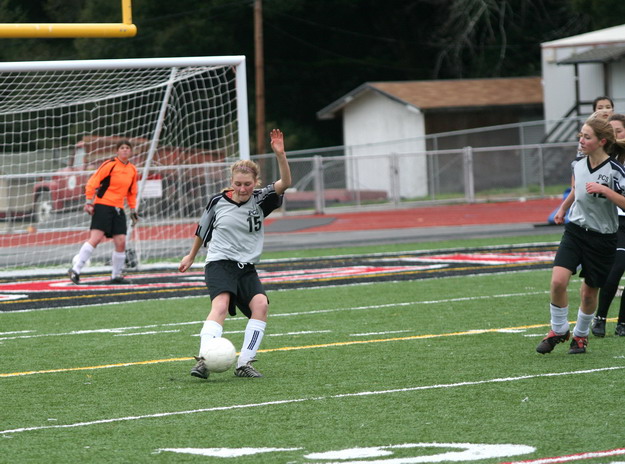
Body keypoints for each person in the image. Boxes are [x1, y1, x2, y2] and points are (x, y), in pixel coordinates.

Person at [179, 129, 292, 378]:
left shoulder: (262, 199)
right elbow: (202, 229)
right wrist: (191, 255)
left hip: (246, 267)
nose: (242, 189)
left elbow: (285, 183)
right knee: (220, 305)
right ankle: (203, 360)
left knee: (260, 305)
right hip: (219, 263)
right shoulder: (217, 202)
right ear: (232, 181)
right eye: (238, 184)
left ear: (256, 182)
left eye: (247, 184)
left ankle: (245, 363)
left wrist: (280, 155)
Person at [537, 114, 625, 355]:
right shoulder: (577, 164)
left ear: (602, 141)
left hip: (603, 238)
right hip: (575, 231)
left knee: (588, 293)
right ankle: (558, 330)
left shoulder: (616, 171)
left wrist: (606, 191)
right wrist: (562, 209)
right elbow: (577, 190)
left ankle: (580, 336)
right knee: (558, 281)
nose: (581, 141)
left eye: (587, 137)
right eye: (581, 136)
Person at [68, 140, 139, 285]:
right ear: (117, 151)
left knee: (121, 242)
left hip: (118, 208)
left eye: (127, 148)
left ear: (131, 151)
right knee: (96, 238)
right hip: (103, 205)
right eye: (122, 148)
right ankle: (76, 270)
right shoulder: (110, 165)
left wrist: (133, 209)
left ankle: (116, 275)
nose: (125, 150)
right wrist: (89, 202)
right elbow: (92, 182)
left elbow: (132, 192)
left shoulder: (132, 169)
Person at [592, 113, 625, 337]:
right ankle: (600, 317)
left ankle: (622, 322)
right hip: (616, 221)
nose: (615, 136)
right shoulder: (606, 159)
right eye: (611, 132)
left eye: (619, 131)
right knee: (615, 269)